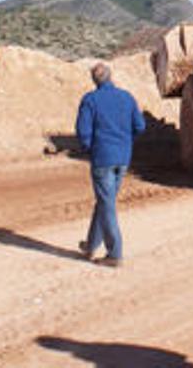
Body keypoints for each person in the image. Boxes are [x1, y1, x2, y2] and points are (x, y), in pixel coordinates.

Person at [76, 63, 146, 267]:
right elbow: (140, 126)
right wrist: (125, 140)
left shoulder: (90, 100)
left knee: (107, 204)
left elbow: (83, 132)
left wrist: (90, 148)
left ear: (94, 80)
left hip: (102, 158)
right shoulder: (126, 97)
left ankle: (114, 253)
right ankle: (90, 246)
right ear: (110, 76)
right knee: (105, 202)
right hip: (123, 157)